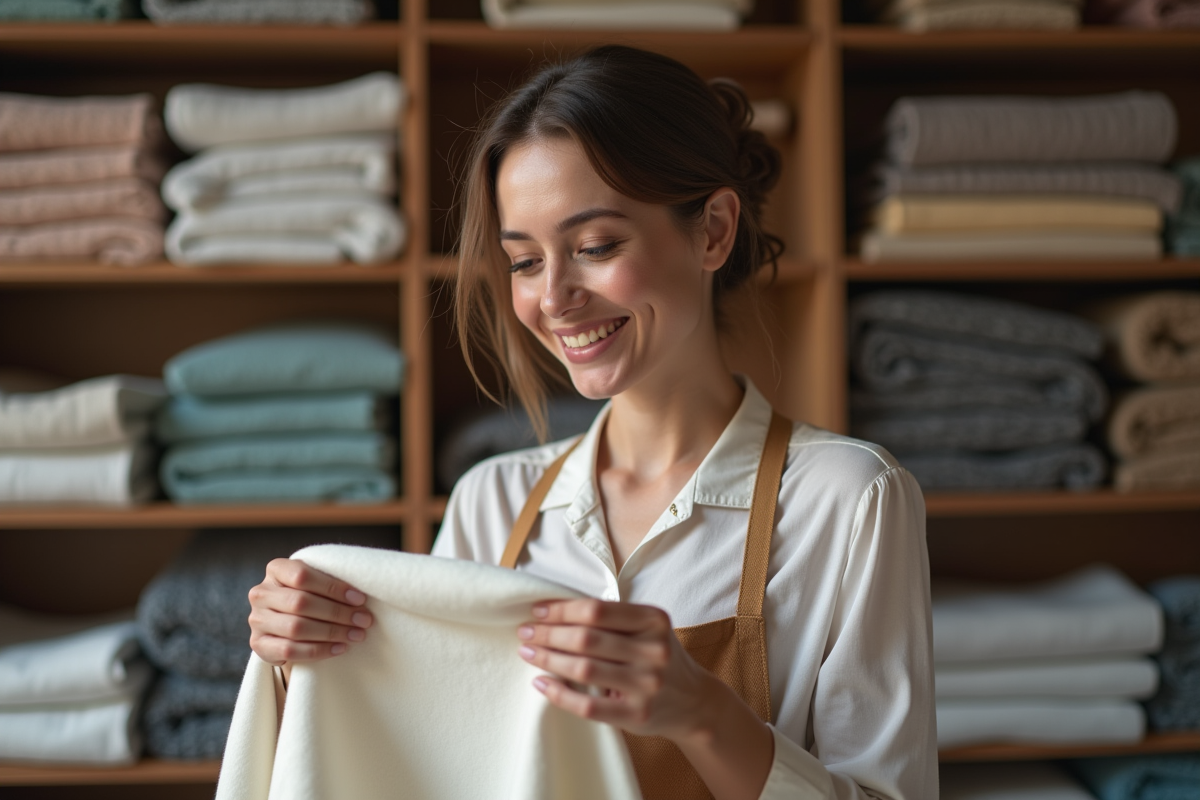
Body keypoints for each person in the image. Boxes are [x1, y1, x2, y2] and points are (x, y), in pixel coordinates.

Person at [247, 45, 936, 800]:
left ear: (712, 230)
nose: (554, 297)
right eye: (524, 262)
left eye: (595, 247)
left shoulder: (850, 498)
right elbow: (424, 767)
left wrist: (702, 713)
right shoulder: (492, 503)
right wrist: (300, 655)